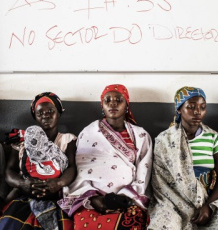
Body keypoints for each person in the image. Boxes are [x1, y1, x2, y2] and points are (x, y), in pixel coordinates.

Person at [148, 86, 218, 229]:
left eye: (202, 107)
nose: (197, 112)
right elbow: (161, 182)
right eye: (191, 107)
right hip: (173, 201)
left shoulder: (214, 138)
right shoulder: (164, 140)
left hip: (208, 199)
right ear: (179, 109)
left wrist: (208, 206)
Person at [58, 84, 152, 230]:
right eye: (107, 100)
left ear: (127, 105)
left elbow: (144, 170)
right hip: (90, 198)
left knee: (131, 223)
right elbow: (80, 169)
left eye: (118, 100)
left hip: (126, 198)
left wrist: (125, 197)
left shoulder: (140, 135)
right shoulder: (89, 132)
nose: (112, 103)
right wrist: (93, 199)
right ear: (102, 105)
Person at [0, 92, 77, 230]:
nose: (45, 115)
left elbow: (72, 168)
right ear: (35, 117)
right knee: (9, 225)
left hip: (56, 196)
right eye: (40, 113)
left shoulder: (67, 140)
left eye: (51, 111)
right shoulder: (22, 141)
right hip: (26, 195)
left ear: (59, 113)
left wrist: (58, 183)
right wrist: (23, 184)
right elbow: (9, 171)